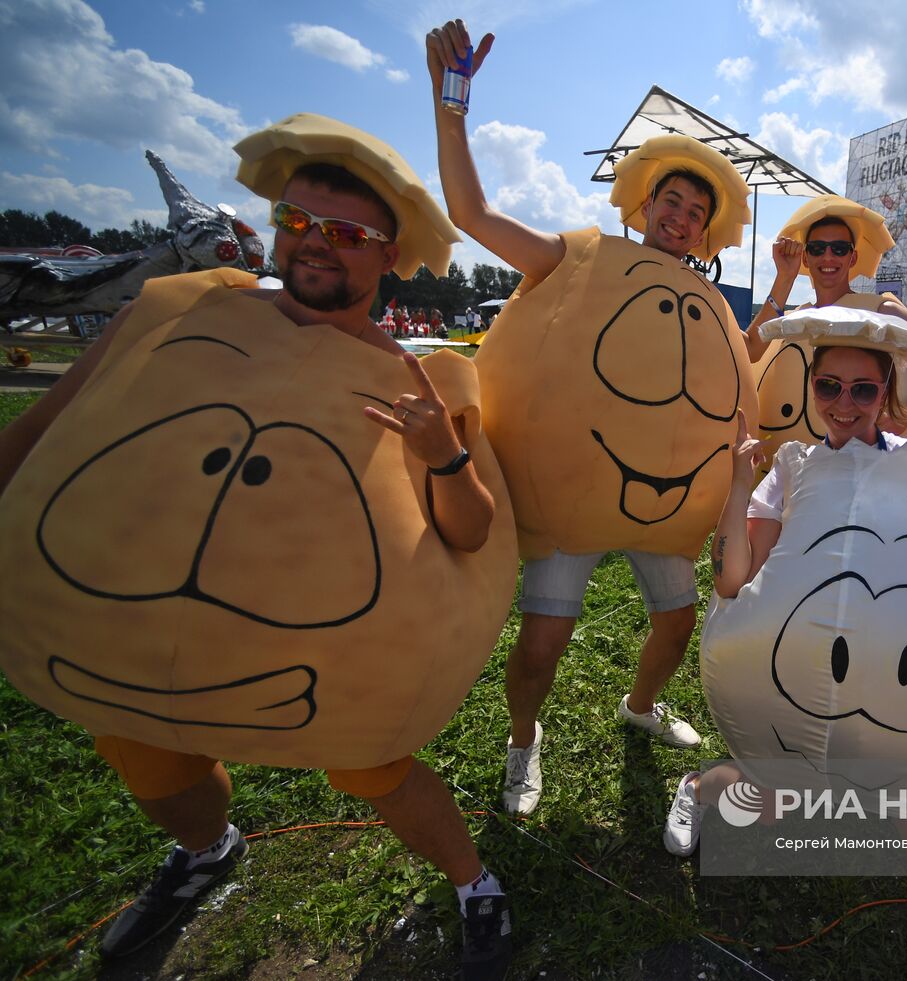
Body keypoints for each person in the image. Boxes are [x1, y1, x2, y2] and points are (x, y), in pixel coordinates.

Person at [0, 119, 515, 978]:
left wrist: (444, 455)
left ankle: (474, 883)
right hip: (137, 623)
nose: (317, 246)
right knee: (142, 748)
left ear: (387, 257)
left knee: (372, 761)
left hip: (322, 655)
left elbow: (472, 530)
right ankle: (208, 850)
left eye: (349, 235)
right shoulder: (173, 316)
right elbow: (43, 434)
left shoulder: (413, 377)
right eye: (298, 221)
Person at [427, 18, 757, 817]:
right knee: (542, 641)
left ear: (707, 232)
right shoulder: (575, 257)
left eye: (694, 211)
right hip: (572, 497)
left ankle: (639, 707)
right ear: (643, 204)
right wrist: (453, 104)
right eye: (669, 200)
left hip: (662, 501)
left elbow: (740, 379)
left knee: (675, 626)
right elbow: (471, 213)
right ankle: (522, 736)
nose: (679, 216)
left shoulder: (712, 302)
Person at [664, 327, 907, 979]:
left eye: (863, 388)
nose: (845, 402)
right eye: (829, 386)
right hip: (806, 687)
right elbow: (733, 579)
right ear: (813, 389)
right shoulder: (791, 467)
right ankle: (697, 786)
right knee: (776, 794)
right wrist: (739, 480)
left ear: (886, 393)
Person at [744, 196, 907, 443]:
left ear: (853, 258)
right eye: (817, 248)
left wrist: (898, 422)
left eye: (839, 249)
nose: (828, 257)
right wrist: (785, 276)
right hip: (803, 468)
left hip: (865, 464)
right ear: (806, 258)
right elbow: (751, 352)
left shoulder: (881, 310)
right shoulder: (797, 319)